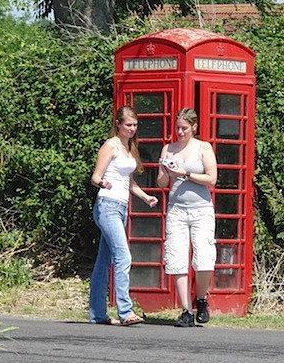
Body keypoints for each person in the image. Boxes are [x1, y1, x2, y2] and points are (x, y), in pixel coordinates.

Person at [89, 105, 158, 326]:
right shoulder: (110, 146)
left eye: (135, 125)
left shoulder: (130, 148)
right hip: (107, 205)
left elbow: (129, 182)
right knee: (124, 256)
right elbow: (95, 176)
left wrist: (145, 197)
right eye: (128, 125)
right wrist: (103, 182)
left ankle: (97, 314)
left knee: (103, 262)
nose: (132, 129)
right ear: (117, 124)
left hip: (121, 207)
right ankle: (125, 311)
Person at [157, 108, 218, 327]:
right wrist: (164, 169)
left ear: (194, 127)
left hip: (201, 209)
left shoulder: (203, 148)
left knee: (204, 258)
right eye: (177, 128)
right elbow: (162, 184)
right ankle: (186, 310)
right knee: (176, 258)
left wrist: (186, 174)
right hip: (177, 210)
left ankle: (200, 299)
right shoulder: (168, 149)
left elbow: (212, 178)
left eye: (184, 128)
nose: (180, 132)